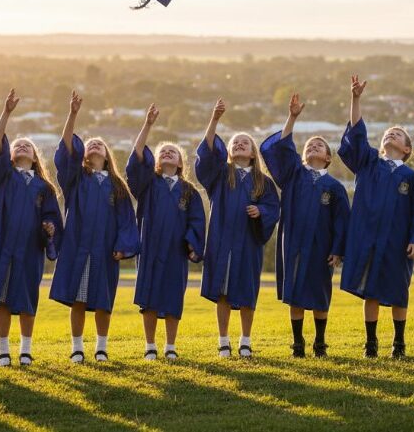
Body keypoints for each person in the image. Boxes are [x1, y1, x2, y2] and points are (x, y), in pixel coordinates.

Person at [338, 76, 414, 358]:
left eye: (398, 135)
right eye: (387, 134)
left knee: (398, 291)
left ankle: (399, 343)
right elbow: (355, 137)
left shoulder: (412, 178)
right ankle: (370, 343)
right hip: (367, 238)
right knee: (371, 292)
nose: (390, 135)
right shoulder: (368, 164)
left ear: (407, 149)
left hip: (397, 242)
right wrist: (355, 100)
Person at [49, 91, 139, 363]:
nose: (96, 146)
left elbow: (127, 219)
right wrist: (73, 114)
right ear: (84, 154)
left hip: (105, 249)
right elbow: (65, 150)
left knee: (102, 299)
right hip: (77, 246)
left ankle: (101, 347)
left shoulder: (117, 185)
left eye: (100, 144)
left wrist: (123, 247)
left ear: (107, 154)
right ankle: (77, 347)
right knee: (77, 298)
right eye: (91, 144)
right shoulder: (75, 179)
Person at [260, 93, 350, 358]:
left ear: (328, 158)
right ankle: (297, 343)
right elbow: (279, 149)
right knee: (296, 292)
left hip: (322, 247)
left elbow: (342, 221)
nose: (312, 147)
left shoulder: (335, 187)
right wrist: (292, 118)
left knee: (321, 294)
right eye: (309, 145)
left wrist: (338, 249)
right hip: (295, 243)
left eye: (319, 145)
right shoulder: (293, 176)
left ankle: (320, 343)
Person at [0, 89, 63, 367]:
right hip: (4, 246)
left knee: (27, 300)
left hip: (29, 249)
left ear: (37, 157)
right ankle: (3, 350)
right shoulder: (3, 178)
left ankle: (25, 350)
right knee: (3, 299)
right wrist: (7, 113)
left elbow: (51, 216)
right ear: (11, 156)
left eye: (28, 145)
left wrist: (49, 228)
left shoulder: (44, 188)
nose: (23, 146)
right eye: (19, 145)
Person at [196, 98, 280, 358]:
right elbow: (206, 153)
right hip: (221, 241)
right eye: (235, 143)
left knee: (246, 291)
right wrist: (215, 119)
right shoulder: (220, 174)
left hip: (247, 242)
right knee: (222, 291)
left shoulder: (262, 182)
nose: (240, 143)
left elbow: (273, 208)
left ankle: (245, 340)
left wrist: (261, 212)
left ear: (254, 152)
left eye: (245, 142)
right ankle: (224, 341)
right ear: (229, 152)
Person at [126, 103, 206, 361]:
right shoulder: (148, 185)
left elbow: (197, 220)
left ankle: (170, 346)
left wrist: (192, 243)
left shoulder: (189, 192)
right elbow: (136, 158)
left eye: (173, 152)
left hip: (175, 251)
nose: (168, 153)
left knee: (173, 298)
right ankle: (150, 346)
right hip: (150, 248)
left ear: (181, 162)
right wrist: (147, 125)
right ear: (157, 162)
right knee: (148, 299)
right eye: (164, 152)